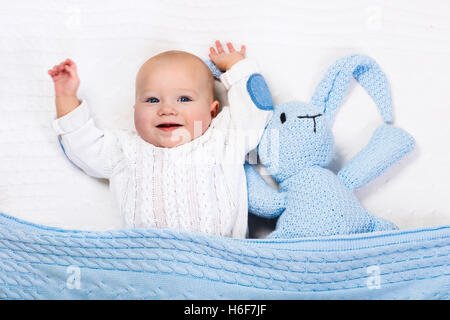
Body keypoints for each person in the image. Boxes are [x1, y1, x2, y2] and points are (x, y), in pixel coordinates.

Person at [48, 40, 272, 238]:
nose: (166, 108)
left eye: (184, 98)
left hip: (219, 260)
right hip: (149, 264)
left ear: (212, 112)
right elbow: (84, 147)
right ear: (135, 110)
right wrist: (66, 97)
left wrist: (237, 68)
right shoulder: (126, 150)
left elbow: (256, 113)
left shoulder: (223, 137)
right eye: (152, 100)